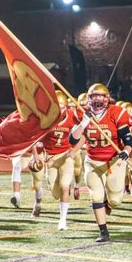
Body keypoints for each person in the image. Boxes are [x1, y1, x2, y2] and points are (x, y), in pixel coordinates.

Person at [70, 83, 132, 242]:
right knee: (95, 196)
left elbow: (128, 140)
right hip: (92, 162)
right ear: (88, 98)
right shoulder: (82, 113)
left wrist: (126, 151)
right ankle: (103, 232)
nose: (97, 99)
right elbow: (73, 139)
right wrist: (84, 122)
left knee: (115, 201)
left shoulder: (117, 113)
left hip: (114, 161)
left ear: (107, 98)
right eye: (94, 96)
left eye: (101, 96)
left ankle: (108, 201)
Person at [30, 90, 75, 230]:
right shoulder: (45, 118)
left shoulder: (72, 116)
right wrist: (36, 156)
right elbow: (33, 138)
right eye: (57, 106)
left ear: (66, 107)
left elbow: (84, 133)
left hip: (66, 155)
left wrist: (74, 150)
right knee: (55, 193)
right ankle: (41, 202)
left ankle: (63, 220)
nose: (60, 109)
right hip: (50, 157)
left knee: (65, 186)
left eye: (62, 106)